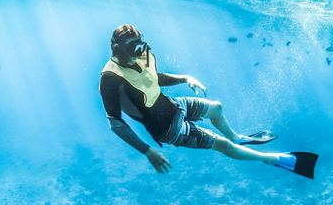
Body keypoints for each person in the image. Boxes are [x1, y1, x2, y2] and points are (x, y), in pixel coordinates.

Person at [98, 24, 317, 178]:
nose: (138, 52)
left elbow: (153, 77)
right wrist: (147, 150)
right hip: (166, 129)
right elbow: (115, 123)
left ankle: (237, 138)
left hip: (173, 105)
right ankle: (272, 158)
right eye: (132, 47)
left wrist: (185, 78)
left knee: (216, 108)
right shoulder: (110, 78)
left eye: (140, 45)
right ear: (117, 47)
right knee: (222, 145)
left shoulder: (141, 55)